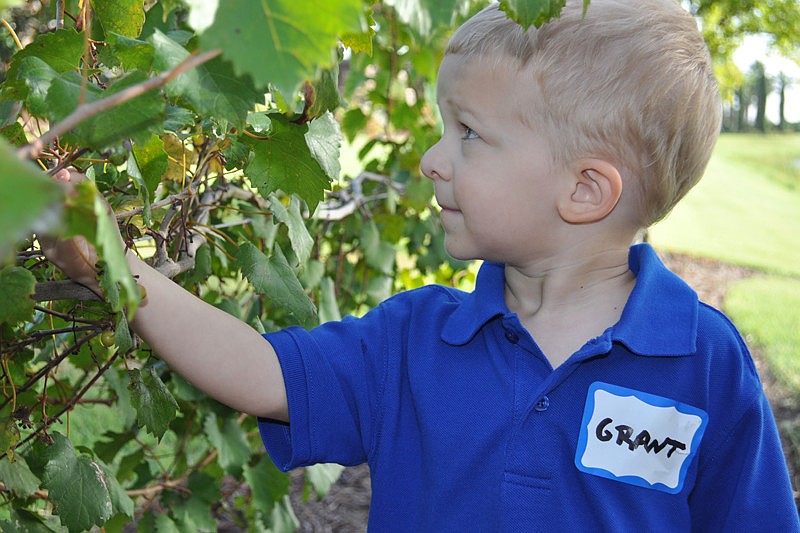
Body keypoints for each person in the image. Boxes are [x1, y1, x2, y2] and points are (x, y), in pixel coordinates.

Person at [43, 0, 800, 530]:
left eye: (468, 133)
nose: (433, 159)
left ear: (584, 189)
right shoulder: (417, 340)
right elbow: (259, 371)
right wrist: (111, 265)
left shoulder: (703, 365)